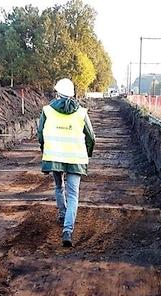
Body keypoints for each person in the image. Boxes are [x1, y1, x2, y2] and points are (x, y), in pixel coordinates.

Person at [37, 78, 95, 247]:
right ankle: (67, 230)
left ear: (57, 93)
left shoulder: (47, 110)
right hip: (76, 158)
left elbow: (40, 134)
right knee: (73, 195)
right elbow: (91, 137)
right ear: (73, 94)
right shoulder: (82, 112)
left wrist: (45, 151)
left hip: (55, 156)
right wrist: (87, 154)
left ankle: (62, 214)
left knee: (58, 187)